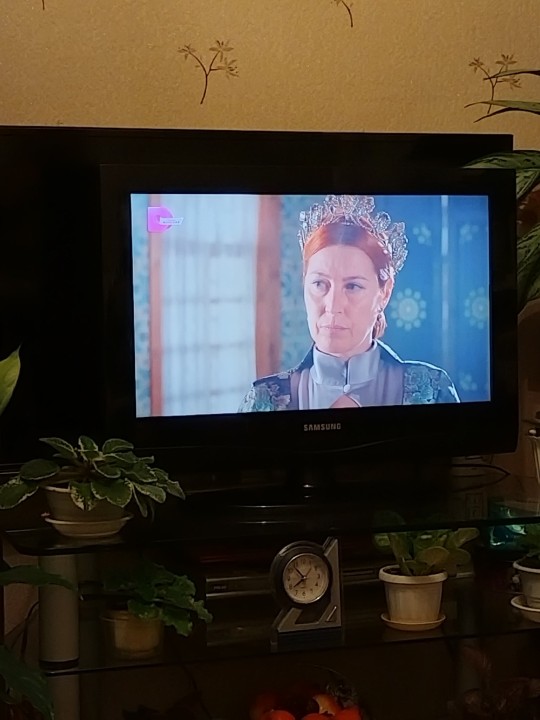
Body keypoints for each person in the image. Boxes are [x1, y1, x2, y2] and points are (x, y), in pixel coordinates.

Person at [239, 194, 459, 411]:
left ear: (384, 292)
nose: (333, 306)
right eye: (320, 284)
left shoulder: (431, 392)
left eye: (352, 286)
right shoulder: (265, 400)